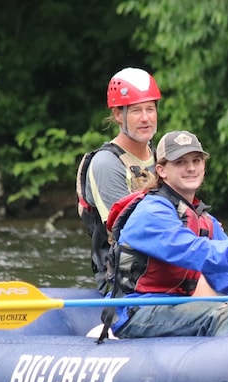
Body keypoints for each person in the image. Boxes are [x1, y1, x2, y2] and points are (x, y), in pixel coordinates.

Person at [107, 130, 228, 338]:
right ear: (162, 170)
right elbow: (194, 251)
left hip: (177, 305)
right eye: (180, 162)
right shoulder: (151, 212)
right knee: (218, 314)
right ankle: (221, 368)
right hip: (136, 311)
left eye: (196, 161)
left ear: (203, 166)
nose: (191, 168)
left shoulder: (204, 220)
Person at [76, 67, 161, 294]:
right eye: (135, 111)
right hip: (123, 279)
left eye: (150, 109)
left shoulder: (162, 156)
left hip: (164, 266)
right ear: (117, 115)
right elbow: (128, 232)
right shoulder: (106, 163)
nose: (145, 118)